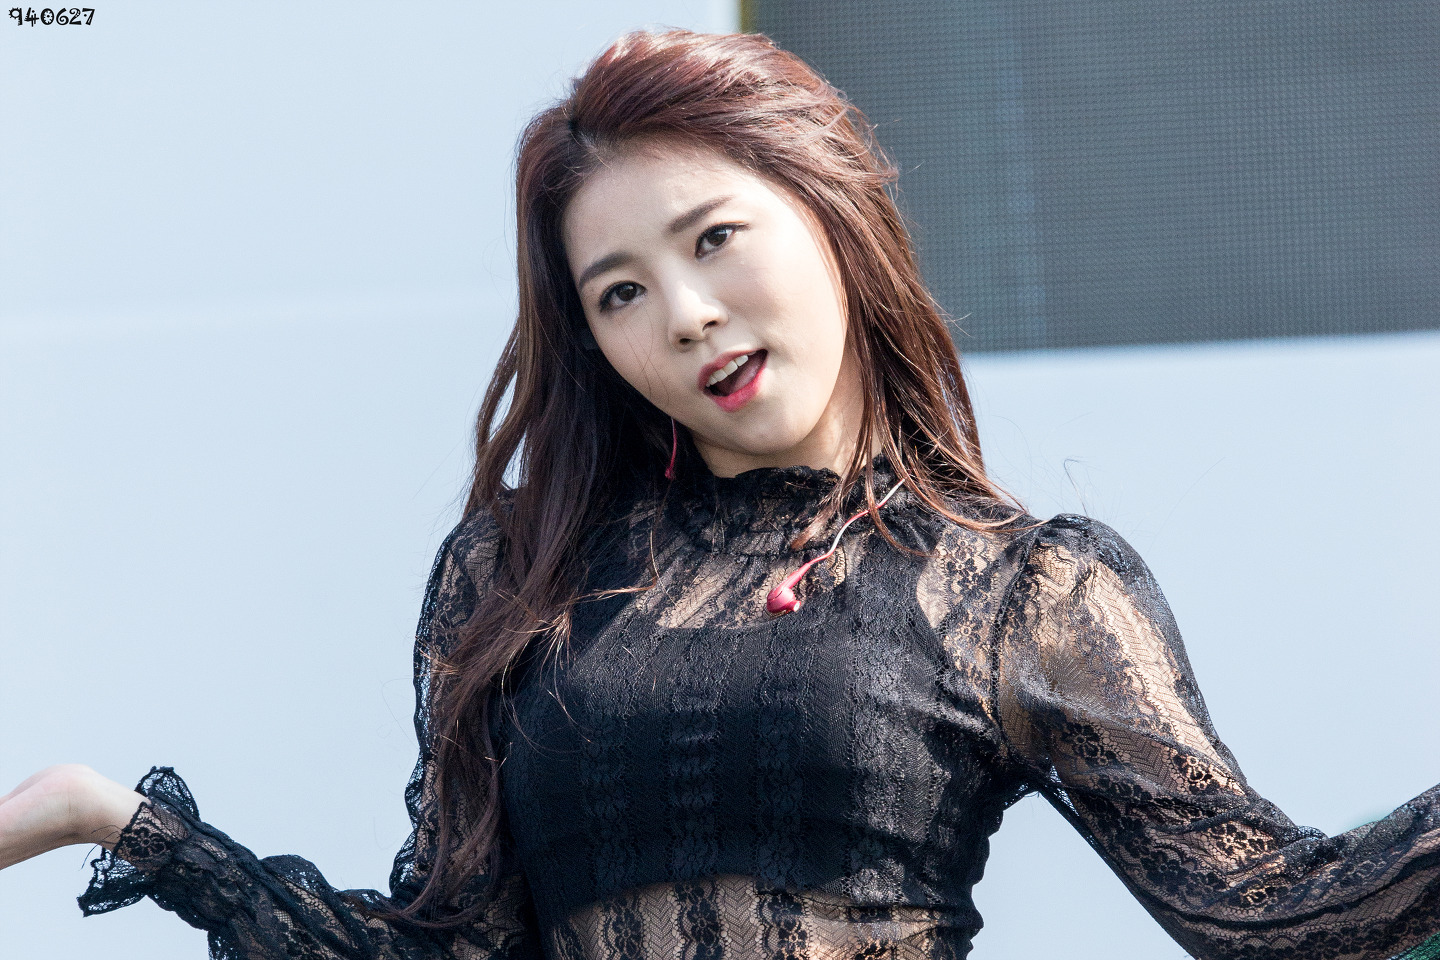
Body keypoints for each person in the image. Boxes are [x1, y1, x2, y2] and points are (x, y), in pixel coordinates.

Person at [2, 27, 1438, 960]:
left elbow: (1270, 913)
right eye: (620, 291)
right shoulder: (517, 576)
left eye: (713, 240)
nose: (685, 314)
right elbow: (452, 949)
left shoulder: (1022, 587)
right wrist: (112, 820)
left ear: (830, 211)